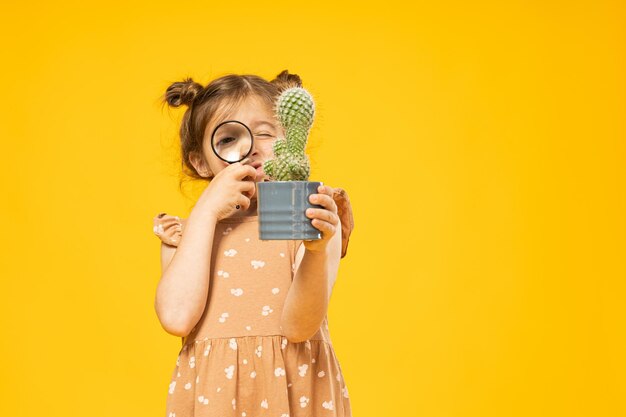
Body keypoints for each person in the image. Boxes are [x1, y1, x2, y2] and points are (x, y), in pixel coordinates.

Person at [152, 69, 355, 416]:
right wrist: (206, 211)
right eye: (228, 139)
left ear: (290, 140)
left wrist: (316, 250)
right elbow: (177, 317)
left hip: (296, 394)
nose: (250, 148)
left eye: (264, 133)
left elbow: (298, 328)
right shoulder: (184, 235)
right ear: (200, 162)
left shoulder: (315, 216)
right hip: (216, 399)